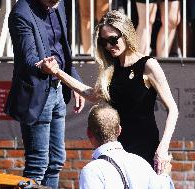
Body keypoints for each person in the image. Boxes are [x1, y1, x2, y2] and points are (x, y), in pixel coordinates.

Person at [37, 10, 178, 174]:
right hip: (116, 148)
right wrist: (57, 72)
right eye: (104, 42)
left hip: (145, 146)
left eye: (113, 40)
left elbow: (173, 109)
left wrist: (163, 147)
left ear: (125, 34)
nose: (109, 46)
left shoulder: (148, 65)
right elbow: (91, 94)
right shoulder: (111, 69)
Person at [4, 0, 85, 188]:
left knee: (56, 162)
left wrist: (75, 81)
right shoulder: (21, 12)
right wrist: (42, 66)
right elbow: (28, 58)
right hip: (37, 94)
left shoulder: (59, 5)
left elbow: (63, 49)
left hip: (58, 90)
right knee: (37, 165)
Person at [79, 103, 175, 189]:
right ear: (119, 130)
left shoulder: (92, 171)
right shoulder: (140, 163)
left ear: (88, 133)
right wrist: (164, 175)